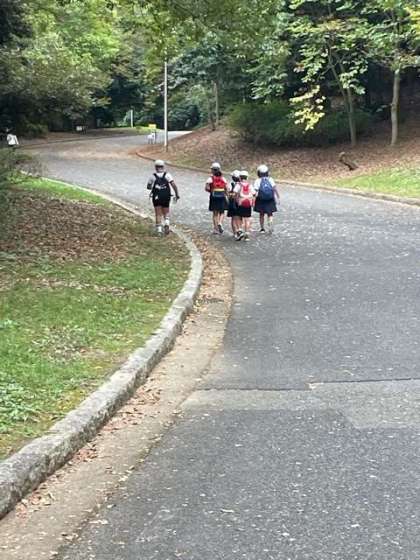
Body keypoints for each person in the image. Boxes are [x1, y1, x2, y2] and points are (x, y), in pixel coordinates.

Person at [147, 160, 180, 235]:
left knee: (158, 213)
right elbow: (174, 185)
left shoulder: (152, 176)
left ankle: (159, 231)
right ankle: (167, 223)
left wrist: (154, 187)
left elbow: (148, 187)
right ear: (163, 167)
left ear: (155, 167)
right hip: (166, 195)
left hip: (156, 197)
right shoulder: (167, 175)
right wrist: (177, 194)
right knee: (166, 211)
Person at [253, 164, 280, 234]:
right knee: (270, 213)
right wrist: (278, 197)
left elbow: (255, 191)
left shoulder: (257, 180)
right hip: (270, 198)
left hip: (260, 199)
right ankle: (270, 221)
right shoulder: (270, 179)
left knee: (261, 214)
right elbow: (274, 188)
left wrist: (253, 199)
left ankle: (262, 228)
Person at [205, 162, 228, 234]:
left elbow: (207, 188)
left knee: (215, 214)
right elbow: (226, 188)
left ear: (212, 170)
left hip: (214, 197)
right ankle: (220, 222)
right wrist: (227, 195)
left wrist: (210, 191)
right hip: (222, 196)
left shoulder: (210, 179)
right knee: (222, 212)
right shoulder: (223, 178)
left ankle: (215, 229)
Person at [235, 170, 255, 241]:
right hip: (248, 204)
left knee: (238, 217)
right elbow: (254, 193)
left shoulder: (238, 185)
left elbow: (235, 193)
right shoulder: (250, 185)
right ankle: (247, 234)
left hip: (240, 203)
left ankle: (240, 231)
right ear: (247, 177)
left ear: (240, 177)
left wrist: (236, 200)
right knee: (247, 219)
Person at [227, 170, 241, 238]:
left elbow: (228, 193)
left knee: (233, 218)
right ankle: (240, 230)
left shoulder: (230, 184)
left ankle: (235, 232)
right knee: (240, 217)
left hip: (232, 202)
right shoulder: (241, 184)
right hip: (240, 202)